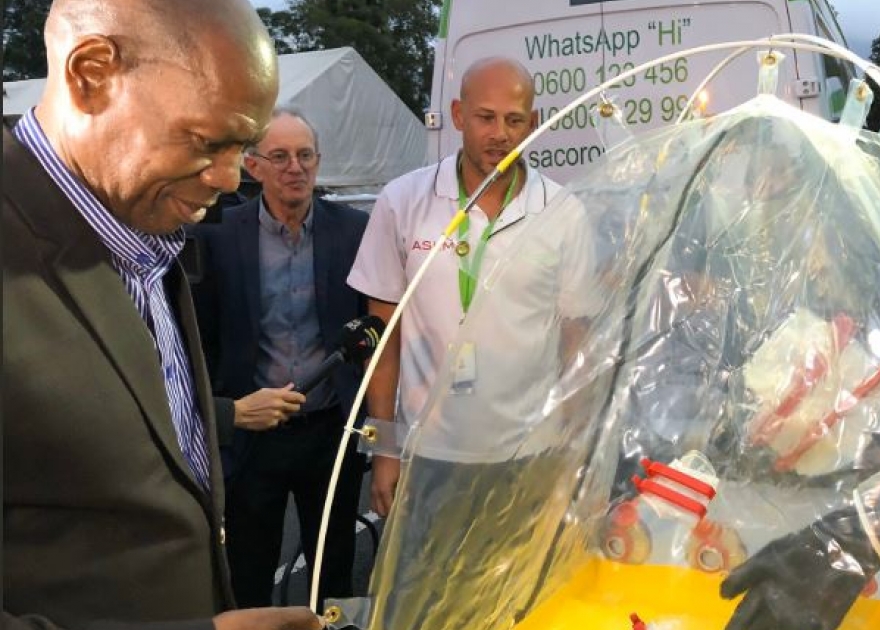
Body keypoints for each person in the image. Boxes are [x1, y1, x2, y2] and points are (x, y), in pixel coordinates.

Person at [1, 0, 321, 628]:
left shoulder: (139, 223)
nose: (230, 179)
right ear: (92, 75)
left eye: (243, 147)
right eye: (208, 142)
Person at [346, 56, 597, 629]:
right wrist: (384, 448)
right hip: (428, 454)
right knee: (427, 601)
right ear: (458, 115)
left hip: (527, 455)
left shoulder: (563, 212)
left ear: (533, 122)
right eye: (486, 117)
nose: (499, 133)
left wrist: (574, 457)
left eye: (514, 119)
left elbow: (577, 346)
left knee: (516, 601)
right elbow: (383, 338)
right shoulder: (403, 201)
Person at [189, 108, 370, 608]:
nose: (295, 167)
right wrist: (223, 413)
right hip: (254, 436)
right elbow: (203, 334)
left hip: (330, 430)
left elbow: (371, 326)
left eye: (305, 155)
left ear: (318, 161)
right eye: (281, 156)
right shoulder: (219, 234)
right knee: (249, 573)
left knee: (332, 571)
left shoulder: (353, 231)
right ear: (254, 166)